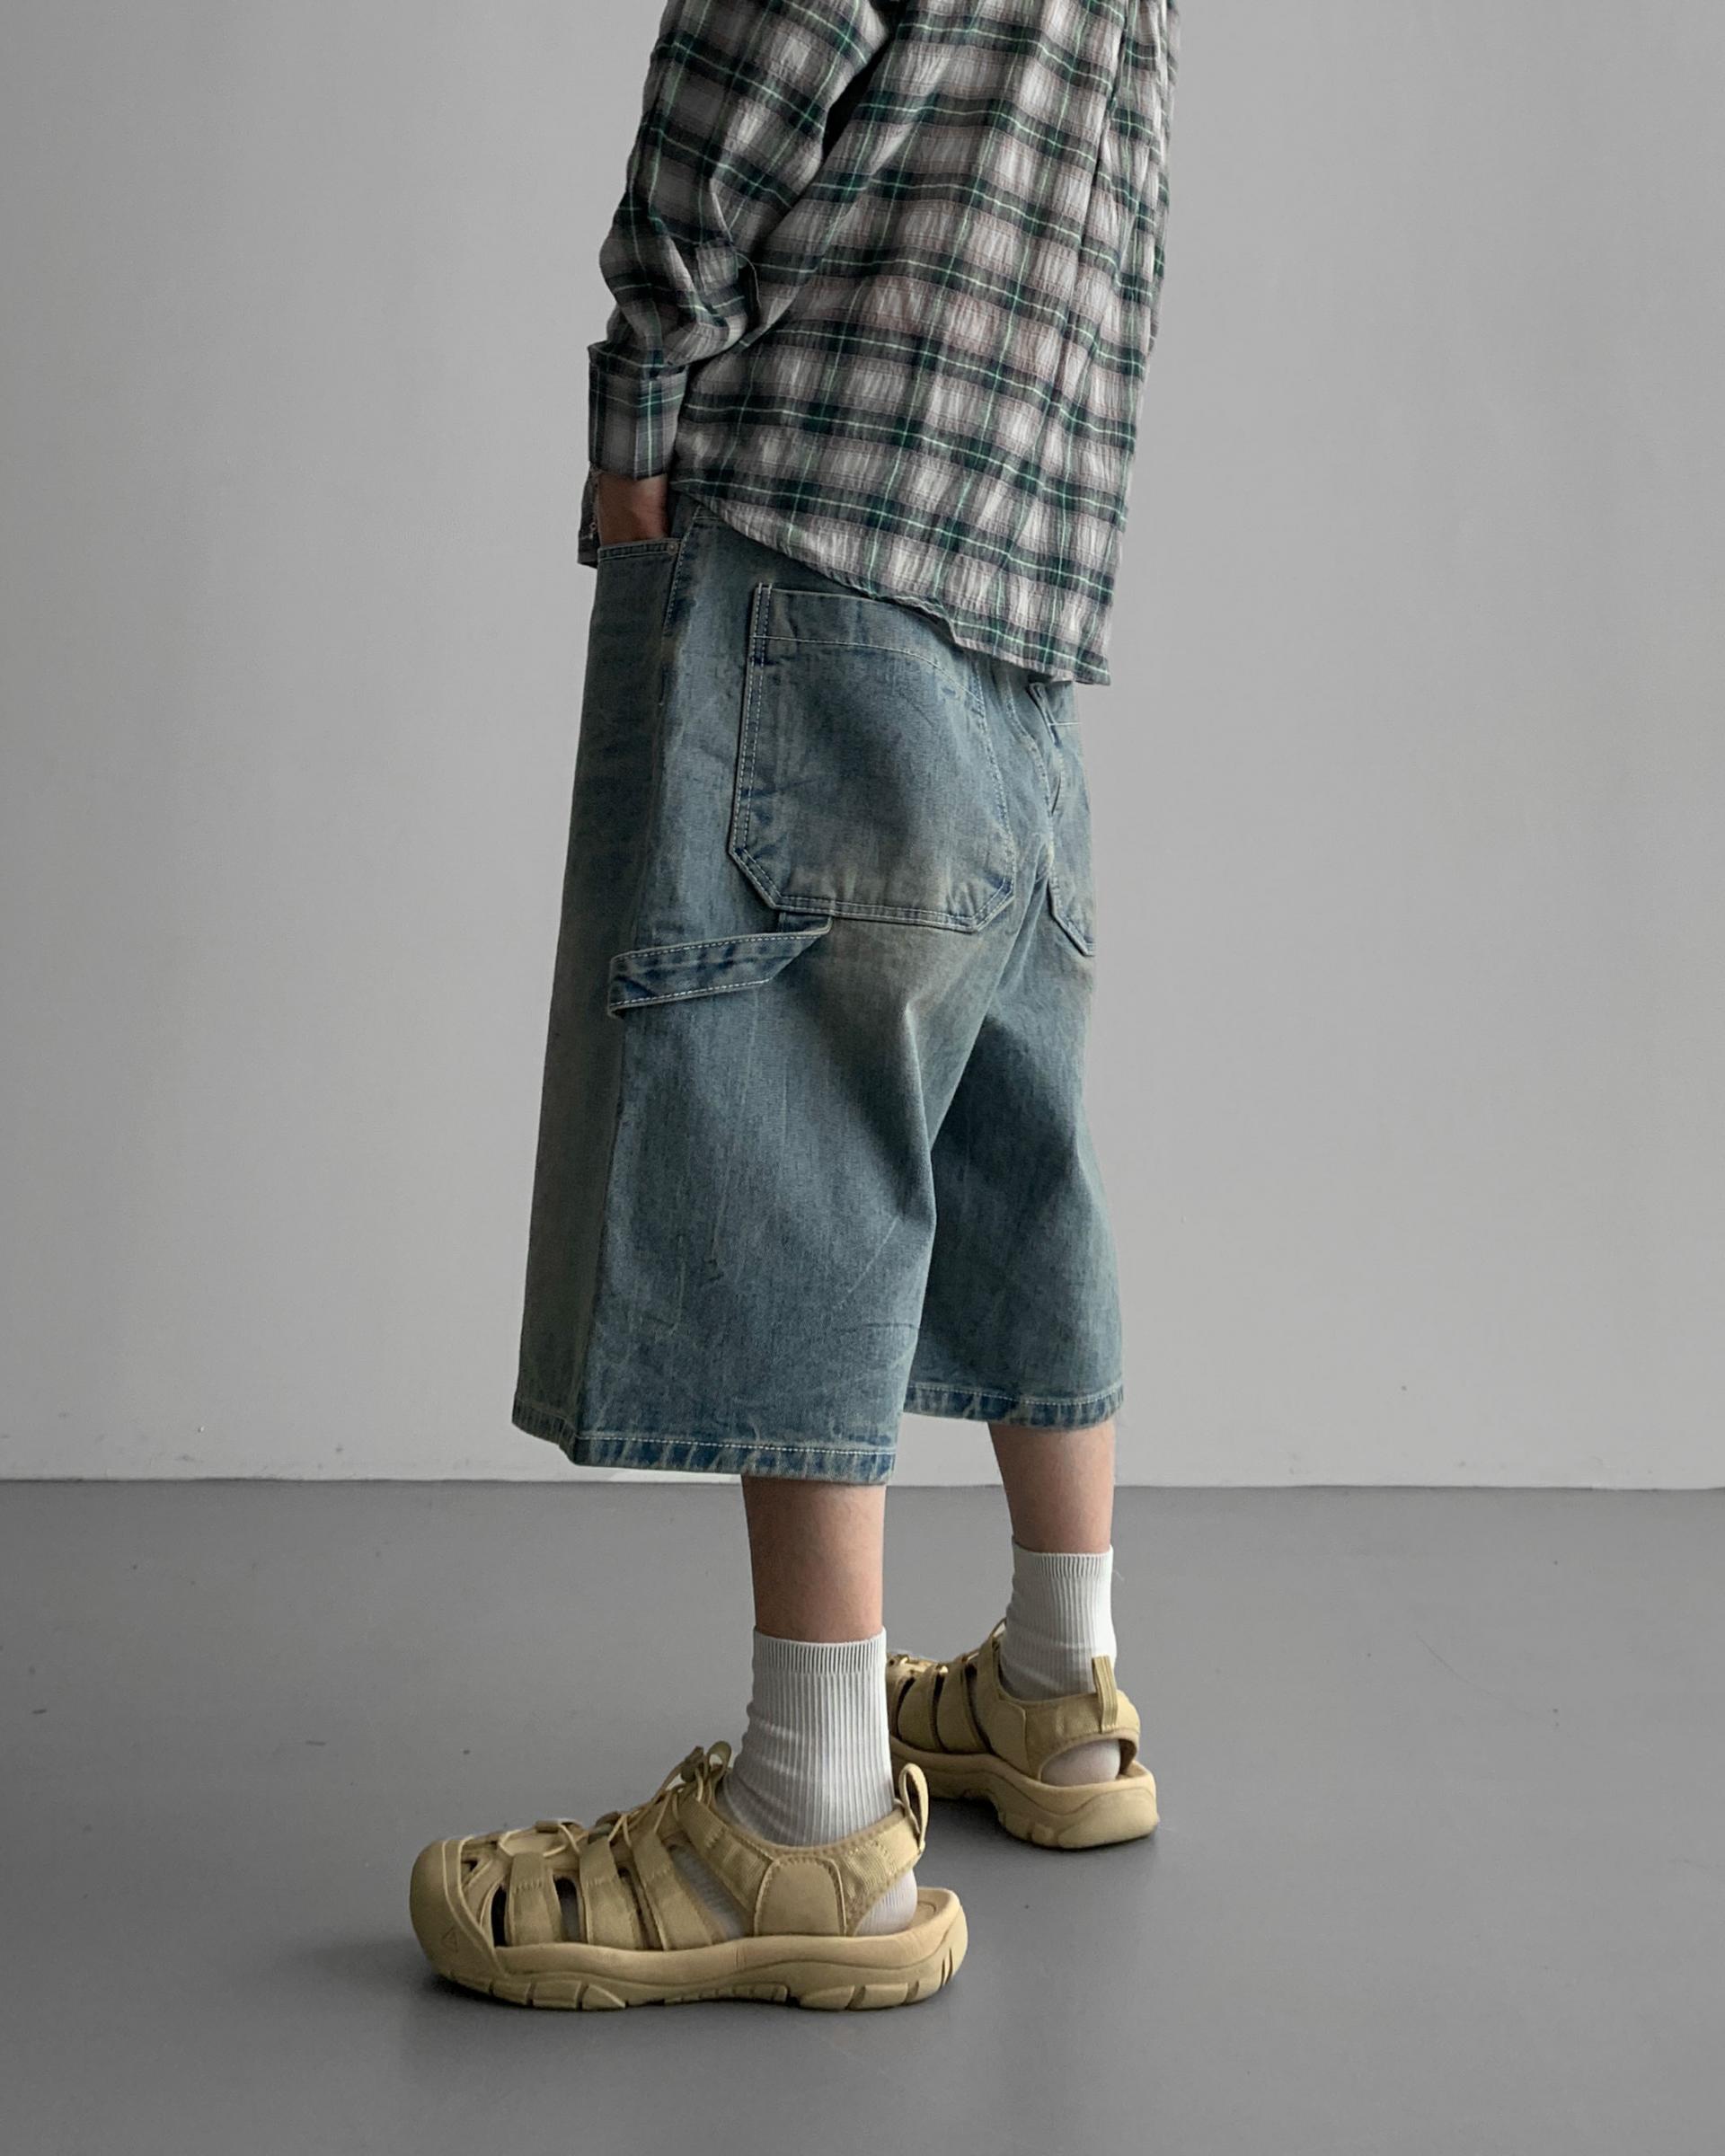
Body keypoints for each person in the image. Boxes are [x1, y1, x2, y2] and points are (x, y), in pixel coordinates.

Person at [410, 0, 1178, 2011]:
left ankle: (810, 1811)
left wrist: (637, 421)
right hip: (1020, 596)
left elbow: (738, 87)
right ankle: (1058, 1688)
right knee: (1013, 1133)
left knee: (800, 1128)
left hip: (821, 522)